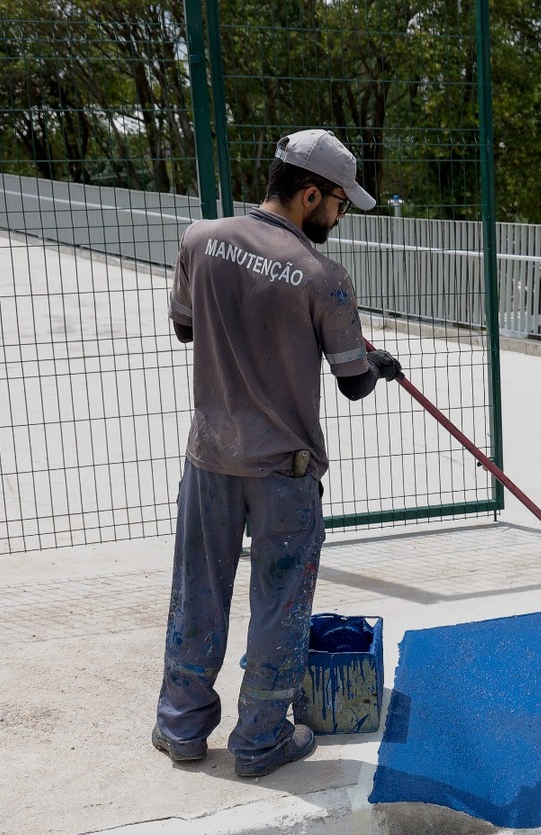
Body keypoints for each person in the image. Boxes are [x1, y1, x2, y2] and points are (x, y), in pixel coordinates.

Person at [152, 130, 404, 778]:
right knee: (279, 604)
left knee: (197, 592)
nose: (339, 218)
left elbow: (186, 326)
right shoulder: (324, 278)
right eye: (339, 205)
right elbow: (354, 384)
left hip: (209, 459)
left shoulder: (199, 241)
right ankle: (260, 740)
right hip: (282, 476)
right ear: (310, 193)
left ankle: (180, 726)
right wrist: (375, 362)